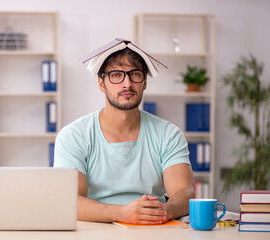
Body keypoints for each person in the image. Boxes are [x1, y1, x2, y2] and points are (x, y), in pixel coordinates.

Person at [54, 39, 195, 225]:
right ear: (101, 84)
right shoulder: (73, 136)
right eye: (116, 75)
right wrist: (121, 213)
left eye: (135, 74)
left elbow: (184, 192)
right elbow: (70, 200)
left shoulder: (168, 134)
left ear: (144, 83)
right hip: (96, 230)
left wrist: (163, 211)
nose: (127, 84)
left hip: (155, 228)